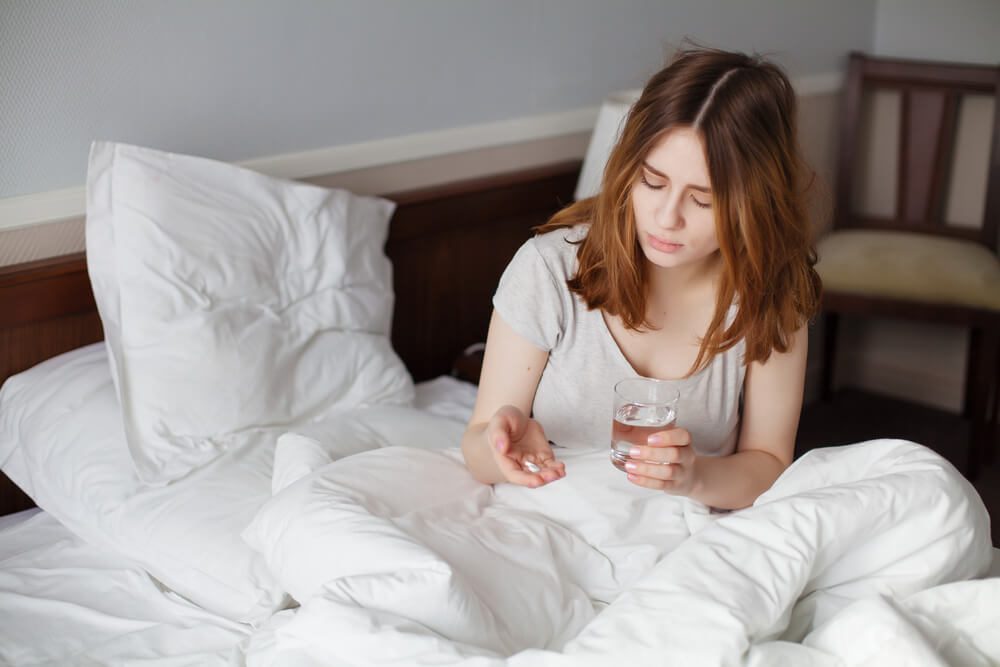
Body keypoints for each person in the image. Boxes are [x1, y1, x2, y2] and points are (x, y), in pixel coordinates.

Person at [460, 46, 822, 510]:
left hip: (685, 538)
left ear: (755, 203)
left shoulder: (771, 296)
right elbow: (476, 446)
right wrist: (503, 449)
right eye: (653, 182)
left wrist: (695, 477)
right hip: (550, 519)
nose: (667, 218)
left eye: (704, 200)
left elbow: (769, 463)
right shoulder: (548, 269)